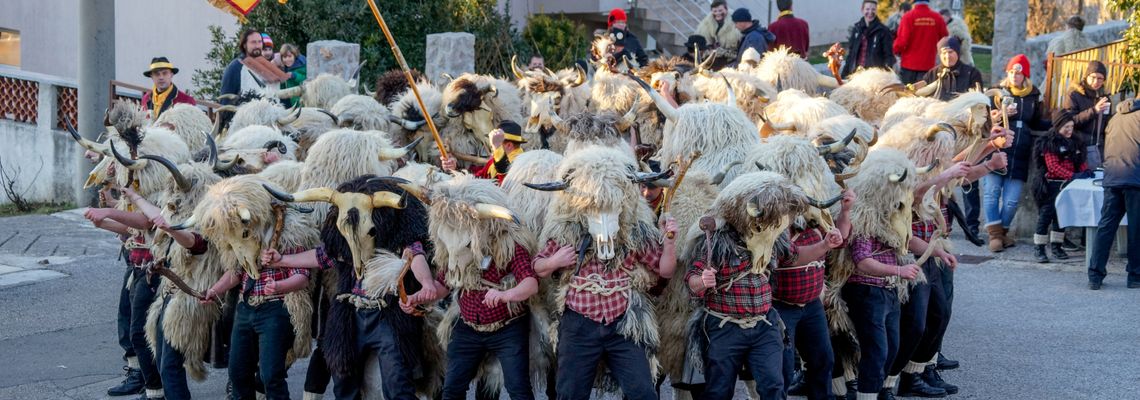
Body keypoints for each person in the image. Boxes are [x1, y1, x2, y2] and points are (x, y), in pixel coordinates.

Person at [773, 191, 854, 400]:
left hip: (811, 305)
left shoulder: (816, 224)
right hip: (781, 306)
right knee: (783, 366)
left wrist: (845, 211)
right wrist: (825, 245)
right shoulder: (777, 229)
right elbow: (790, 258)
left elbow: (840, 238)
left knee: (823, 359)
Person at [201, 252, 310, 399]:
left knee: (270, 375)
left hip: (275, 307)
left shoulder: (288, 239)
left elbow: (302, 277)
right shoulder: (243, 240)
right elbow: (237, 271)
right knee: (238, 373)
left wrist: (279, 286)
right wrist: (215, 290)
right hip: (245, 307)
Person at [983, 54, 1050, 253]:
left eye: (1018, 73)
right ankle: (995, 236)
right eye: (1011, 72)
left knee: (1011, 202)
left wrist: (1058, 121)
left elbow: (1037, 122)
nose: (1014, 76)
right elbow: (984, 121)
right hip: (997, 150)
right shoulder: (997, 93)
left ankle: (1002, 233)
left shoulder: (1033, 95)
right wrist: (999, 116)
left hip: (1020, 153)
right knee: (991, 194)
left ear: (1025, 76)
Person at [922, 36, 984, 239]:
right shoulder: (933, 74)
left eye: (951, 52)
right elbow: (922, 100)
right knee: (940, 179)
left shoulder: (972, 73)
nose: (947, 56)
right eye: (944, 53)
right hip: (940, 136)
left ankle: (972, 225)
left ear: (958, 53)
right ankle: (942, 224)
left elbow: (978, 102)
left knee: (967, 177)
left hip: (965, 135)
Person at [1087, 98, 1140, 290]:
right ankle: (1135, 276)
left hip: (1112, 178)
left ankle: (1095, 275)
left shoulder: (1116, 117)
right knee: (1136, 230)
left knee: (1106, 227)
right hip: (1135, 179)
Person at [1033, 114, 1090, 263]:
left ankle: (1057, 247)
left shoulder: (1075, 142)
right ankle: (1039, 248)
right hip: (1051, 185)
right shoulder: (1050, 143)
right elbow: (1053, 166)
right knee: (1045, 216)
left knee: (1061, 216)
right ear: (1058, 126)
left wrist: (1085, 171)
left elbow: (1079, 161)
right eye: (1066, 127)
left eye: (1072, 127)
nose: (1070, 130)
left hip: (1067, 185)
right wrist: (1073, 176)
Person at [1061, 61, 1112, 169]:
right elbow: (1070, 121)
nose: (1096, 81)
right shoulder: (1074, 94)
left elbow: (1107, 124)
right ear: (1086, 76)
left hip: (1098, 147)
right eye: (1093, 77)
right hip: (1078, 147)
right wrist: (1094, 110)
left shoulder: (1105, 97)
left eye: (1100, 78)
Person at [441, 121, 526, 185]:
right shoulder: (493, 161)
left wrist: (498, 148)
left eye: (495, 142)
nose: (491, 146)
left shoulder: (522, 166)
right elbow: (478, 178)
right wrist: (454, 169)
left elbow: (506, 183)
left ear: (509, 145)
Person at [892, 0, 948, 84]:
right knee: (925, 91)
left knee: (907, 91)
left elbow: (902, 42)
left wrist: (893, 51)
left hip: (908, 66)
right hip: (928, 65)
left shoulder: (907, 17)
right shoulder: (937, 17)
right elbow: (945, 39)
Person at [841, 0, 896, 78]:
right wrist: (843, 76)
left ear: (876, 11)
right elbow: (851, 55)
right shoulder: (857, 29)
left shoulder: (883, 31)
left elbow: (889, 57)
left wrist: (886, 76)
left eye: (873, 9)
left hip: (873, 77)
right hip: (855, 74)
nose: (870, 12)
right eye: (867, 9)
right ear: (862, 10)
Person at [220, 29, 266, 102]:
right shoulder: (234, 68)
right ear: (244, 45)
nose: (257, 46)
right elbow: (225, 101)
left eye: (260, 42)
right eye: (253, 42)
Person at [695, 0, 742, 68]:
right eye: (715, 11)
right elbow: (704, 38)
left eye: (720, 10)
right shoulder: (707, 22)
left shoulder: (734, 20)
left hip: (732, 54)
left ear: (726, 9)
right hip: (716, 53)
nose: (718, 13)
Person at [275, 44, 307, 108]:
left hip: (302, 102)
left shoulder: (302, 65)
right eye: (285, 57)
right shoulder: (284, 68)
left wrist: (294, 75)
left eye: (290, 56)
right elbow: (284, 87)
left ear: (294, 56)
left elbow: (306, 79)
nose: (287, 59)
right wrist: (282, 82)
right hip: (291, 101)